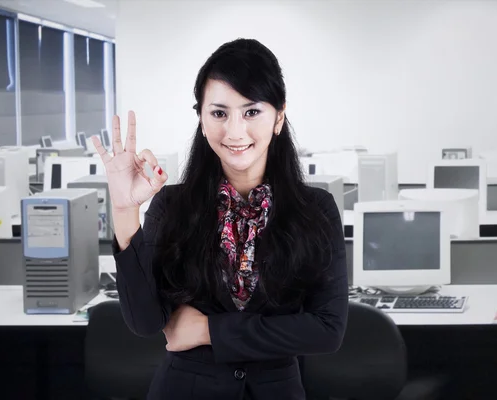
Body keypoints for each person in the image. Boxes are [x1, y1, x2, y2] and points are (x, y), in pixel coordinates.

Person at [92, 38, 348, 400]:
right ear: (201, 118)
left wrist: (208, 330)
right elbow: (146, 322)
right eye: (219, 113)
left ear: (279, 116)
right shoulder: (173, 205)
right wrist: (123, 210)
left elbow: (326, 330)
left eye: (251, 111)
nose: (234, 131)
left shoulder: (315, 209)